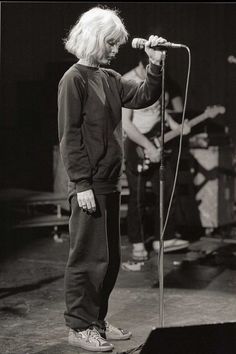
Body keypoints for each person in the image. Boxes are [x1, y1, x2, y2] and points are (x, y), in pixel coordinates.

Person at [57, 6, 166, 352]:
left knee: (109, 260)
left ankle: (96, 321)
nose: (115, 50)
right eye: (111, 43)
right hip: (88, 185)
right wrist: (82, 183)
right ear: (93, 39)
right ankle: (78, 327)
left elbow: (145, 95)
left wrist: (155, 65)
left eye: (117, 45)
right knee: (87, 258)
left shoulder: (110, 78)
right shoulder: (73, 79)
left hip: (108, 182)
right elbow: (69, 135)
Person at [122, 51, 191, 262]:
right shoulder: (128, 81)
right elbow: (125, 123)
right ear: (142, 65)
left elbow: (162, 111)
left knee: (168, 188)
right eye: (150, 68)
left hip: (157, 140)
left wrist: (176, 126)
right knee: (138, 196)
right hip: (136, 143)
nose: (152, 72)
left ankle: (165, 238)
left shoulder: (159, 79)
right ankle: (137, 241)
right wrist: (147, 147)